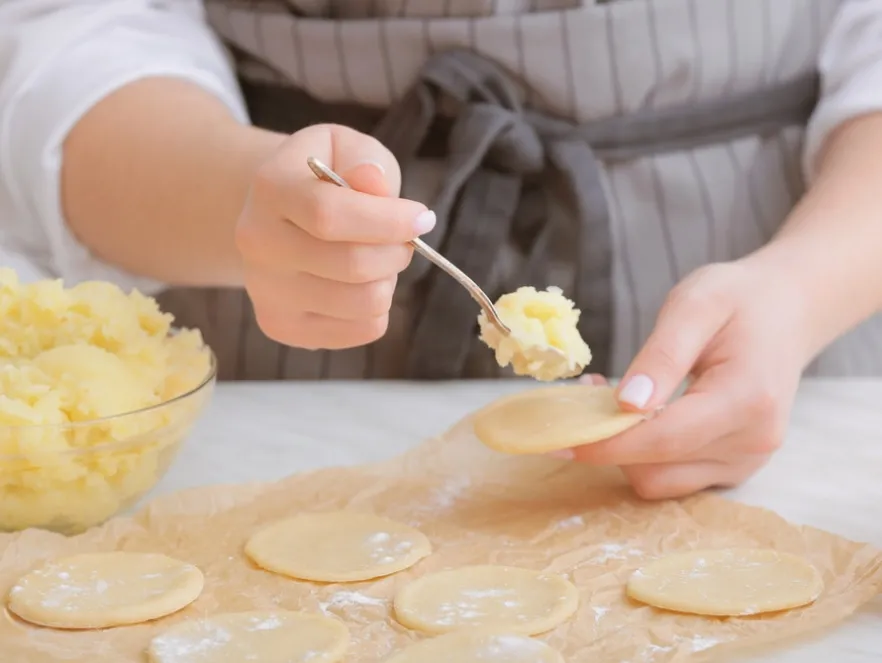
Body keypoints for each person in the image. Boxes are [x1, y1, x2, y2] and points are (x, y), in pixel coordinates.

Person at [1, 0, 881, 500]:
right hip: (274, 379)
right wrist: (250, 200)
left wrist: (803, 291)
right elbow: (77, 30)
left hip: (800, 369)